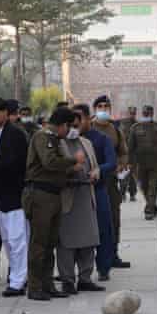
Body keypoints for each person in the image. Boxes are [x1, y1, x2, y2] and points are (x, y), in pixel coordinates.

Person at [23, 107, 82, 301]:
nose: (69, 131)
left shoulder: (54, 139)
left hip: (53, 195)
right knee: (39, 243)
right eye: (69, 126)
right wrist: (73, 161)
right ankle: (35, 286)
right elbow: (49, 162)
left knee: (50, 242)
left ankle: (47, 284)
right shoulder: (43, 137)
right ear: (62, 125)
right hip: (40, 195)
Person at [0, 97, 29, 298]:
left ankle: (19, 281)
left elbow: (13, 164)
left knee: (18, 240)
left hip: (14, 196)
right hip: (0, 196)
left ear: (4, 112)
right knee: (9, 241)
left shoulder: (16, 135)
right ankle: (16, 278)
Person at [57, 114, 104, 294]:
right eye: (71, 126)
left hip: (86, 195)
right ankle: (67, 280)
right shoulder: (57, 144)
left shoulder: (86, 143)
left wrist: (95, 173)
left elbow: (96, 166)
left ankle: (85, 278)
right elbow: (54, 168)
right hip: (68, 197)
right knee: (67, 243)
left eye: (77, 125)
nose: (74, 129)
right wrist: (73, 168)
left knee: (88, 240)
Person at [73, 104, 116, 282]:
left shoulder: (101, 139)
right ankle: (77, 269)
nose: (75, 123)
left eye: (79, 119)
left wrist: (99, 170)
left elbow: (111, 162)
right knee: (77, 233)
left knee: (103, 229)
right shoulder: (70, 139)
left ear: (88, 118)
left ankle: (104, 267)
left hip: (97, 190)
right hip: (76, 192)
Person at [91, 95, 130, 269]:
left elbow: (123, 151)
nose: (103, 109)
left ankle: (113, 254)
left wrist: (122, 164)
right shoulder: (89, 128)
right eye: (100, 106)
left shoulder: (115, 129)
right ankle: (93, 258)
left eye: (106, 106)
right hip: (92, 180)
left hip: (111, 180)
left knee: (114, 218)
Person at [127, 105, 157, 220]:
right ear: (142, 113)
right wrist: (129, 162)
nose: (146, 114)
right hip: (140, 163)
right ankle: (152, 205)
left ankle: (149, 210)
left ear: (152, 113)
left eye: (148, 113)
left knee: (153, 186)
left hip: (156, 162)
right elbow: (130, 147)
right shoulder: (135, 128)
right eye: (145, 113)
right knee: (144, 186)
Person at [118, 106, 138, 202]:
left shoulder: (137, 124)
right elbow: (121, 138)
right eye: (131, 113)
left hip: (134, 154)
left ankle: (132, 193)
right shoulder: (123, 123)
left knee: (132, 176)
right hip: (125, 152)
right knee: (125, 175)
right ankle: (122, 194)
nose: (132, 115)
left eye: (133, 113)